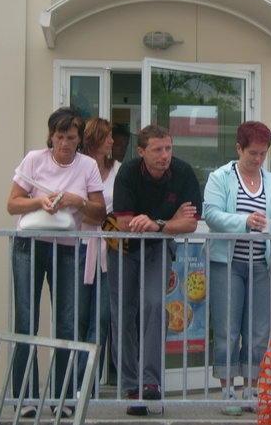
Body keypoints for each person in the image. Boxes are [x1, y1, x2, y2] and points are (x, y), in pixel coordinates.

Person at [7, 107, 106, 418]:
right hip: (29, 245)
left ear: (79, 139)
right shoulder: (34, 159)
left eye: (71, 138)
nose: (65, 143)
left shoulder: (87, 165)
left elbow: (99, 214)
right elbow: (12, 204)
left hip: (67, 247)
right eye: (60, 137)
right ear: (51, 136)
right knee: (26, 321)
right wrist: (40, 201)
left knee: (66, 323)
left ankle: (62, 397)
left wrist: (77, 201)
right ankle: (25, 398)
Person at [108, 124, 202, 416]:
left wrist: (157, 224)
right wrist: (167, 219)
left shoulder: (183, 172)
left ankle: (151, 383)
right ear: (141, 152)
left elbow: (190, 223)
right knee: (123, 312)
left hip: (158, 245)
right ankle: (130, 385)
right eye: (158, 150)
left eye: (168, 148)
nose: (165, 155)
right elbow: (125, 224)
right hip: (122, 247)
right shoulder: (128, 171)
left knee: (153, 304)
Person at [203, 121, 271, 416]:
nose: (258, 159)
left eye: (263, 153)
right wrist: (244, 221)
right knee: (227, 328)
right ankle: (228, 390)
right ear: (238, 148)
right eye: (252, 153)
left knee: (259, 330)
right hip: (226, 264)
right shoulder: (220, 178)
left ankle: (251, 388)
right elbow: (211, 213)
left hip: (261, 265)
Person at [77, 118, 120, 393]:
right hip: (80, 246)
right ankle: (75, 382)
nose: (112, 141)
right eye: (107, 137)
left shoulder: (118, 170)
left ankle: (88, 382)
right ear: (94, 139)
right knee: (78, 317)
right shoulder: (78, 167)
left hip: (108, 249)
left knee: (102, 318)